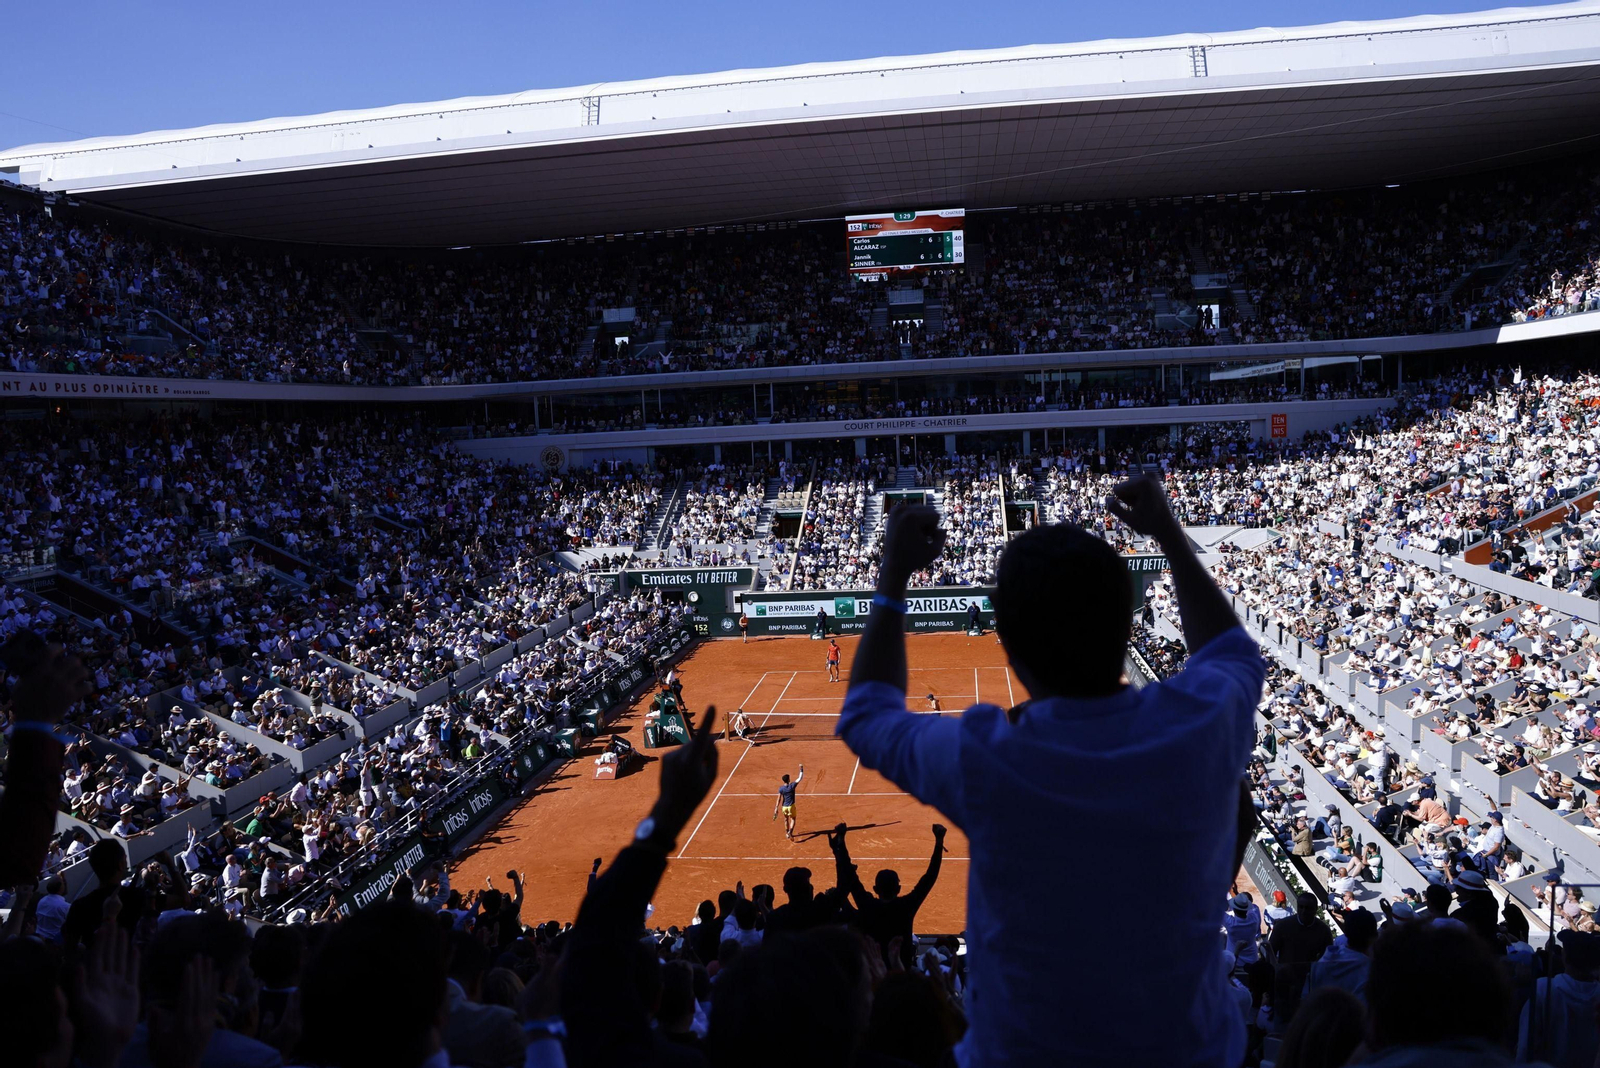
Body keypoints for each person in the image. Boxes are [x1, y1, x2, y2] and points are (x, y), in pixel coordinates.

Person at [836, 482, 1266, 1067]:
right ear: (1123, 623)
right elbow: (1233, 654)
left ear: (1008, 647)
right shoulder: (1200, 726)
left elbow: (865, 715)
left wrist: (894, 574)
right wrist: (1168, 534)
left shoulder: (989, 758)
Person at [830, 822, 946, 968]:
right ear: (898, 889)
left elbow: (850, 875)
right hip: (902, 975)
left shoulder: (867, 904)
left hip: (873, 974)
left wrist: (841, 841)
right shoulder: (906, 907)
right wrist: (939, 841)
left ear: (875, 889)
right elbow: (930, 877)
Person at [775, 765, 804, 840]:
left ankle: (787, 832)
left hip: (784, 807)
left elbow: (778, 799)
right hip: (791, 806)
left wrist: (776, 808)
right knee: (793, 819)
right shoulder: (792, 786)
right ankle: (790, 832)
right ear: (788, 780)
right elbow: (800, 778)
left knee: (786, 819)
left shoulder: (781, 789)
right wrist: (801, 769)